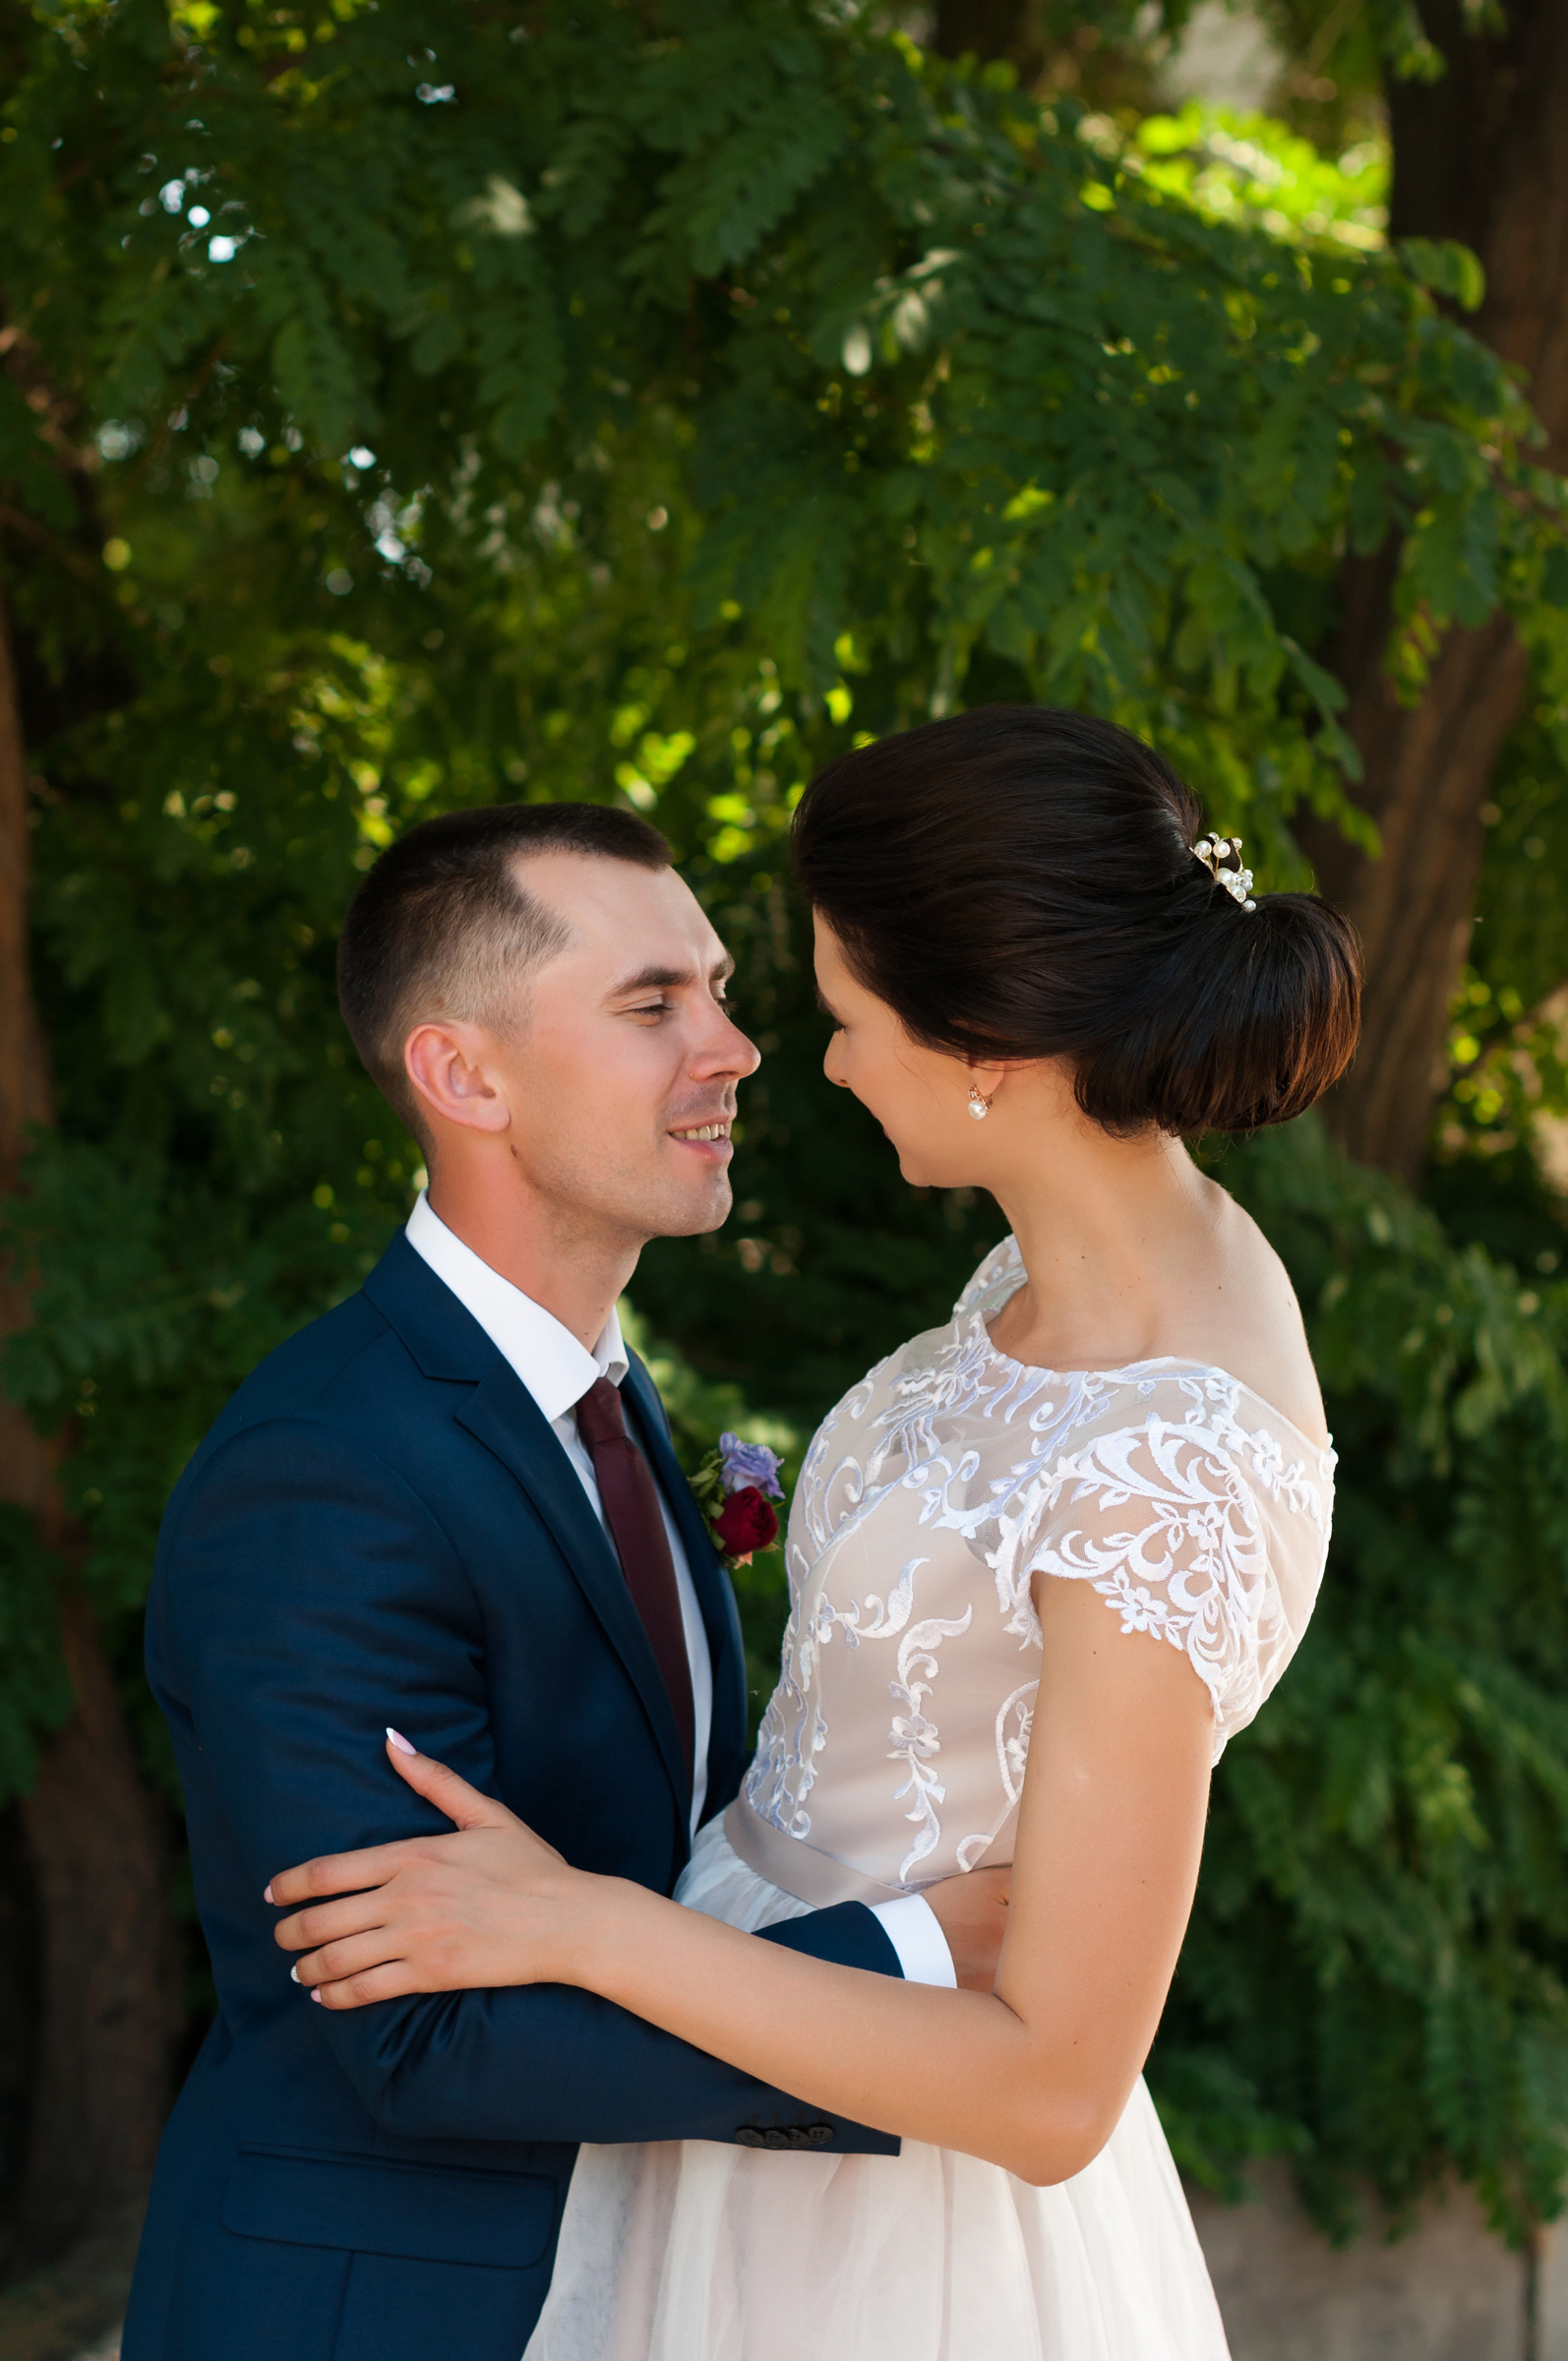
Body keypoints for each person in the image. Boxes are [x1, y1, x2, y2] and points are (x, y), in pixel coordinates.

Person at [269, 706, 1361, 2361]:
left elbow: (1057, 2085)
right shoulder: (1066, 1270)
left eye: (845, 1014)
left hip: (897, 2225)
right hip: (757, 2076)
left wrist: (579, 1924)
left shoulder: (1166, 1458)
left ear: (986, 1037)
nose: (820, 1059)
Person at [123, 801, 1006, 2361]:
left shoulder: (607, 1406)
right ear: (464, 1075)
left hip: (653, 2277)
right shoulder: (325, 1471)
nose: (732, 1047)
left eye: (721, 993)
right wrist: (923, 1966)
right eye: (652, 1004)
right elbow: (424, 2034)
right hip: (389, 2309)